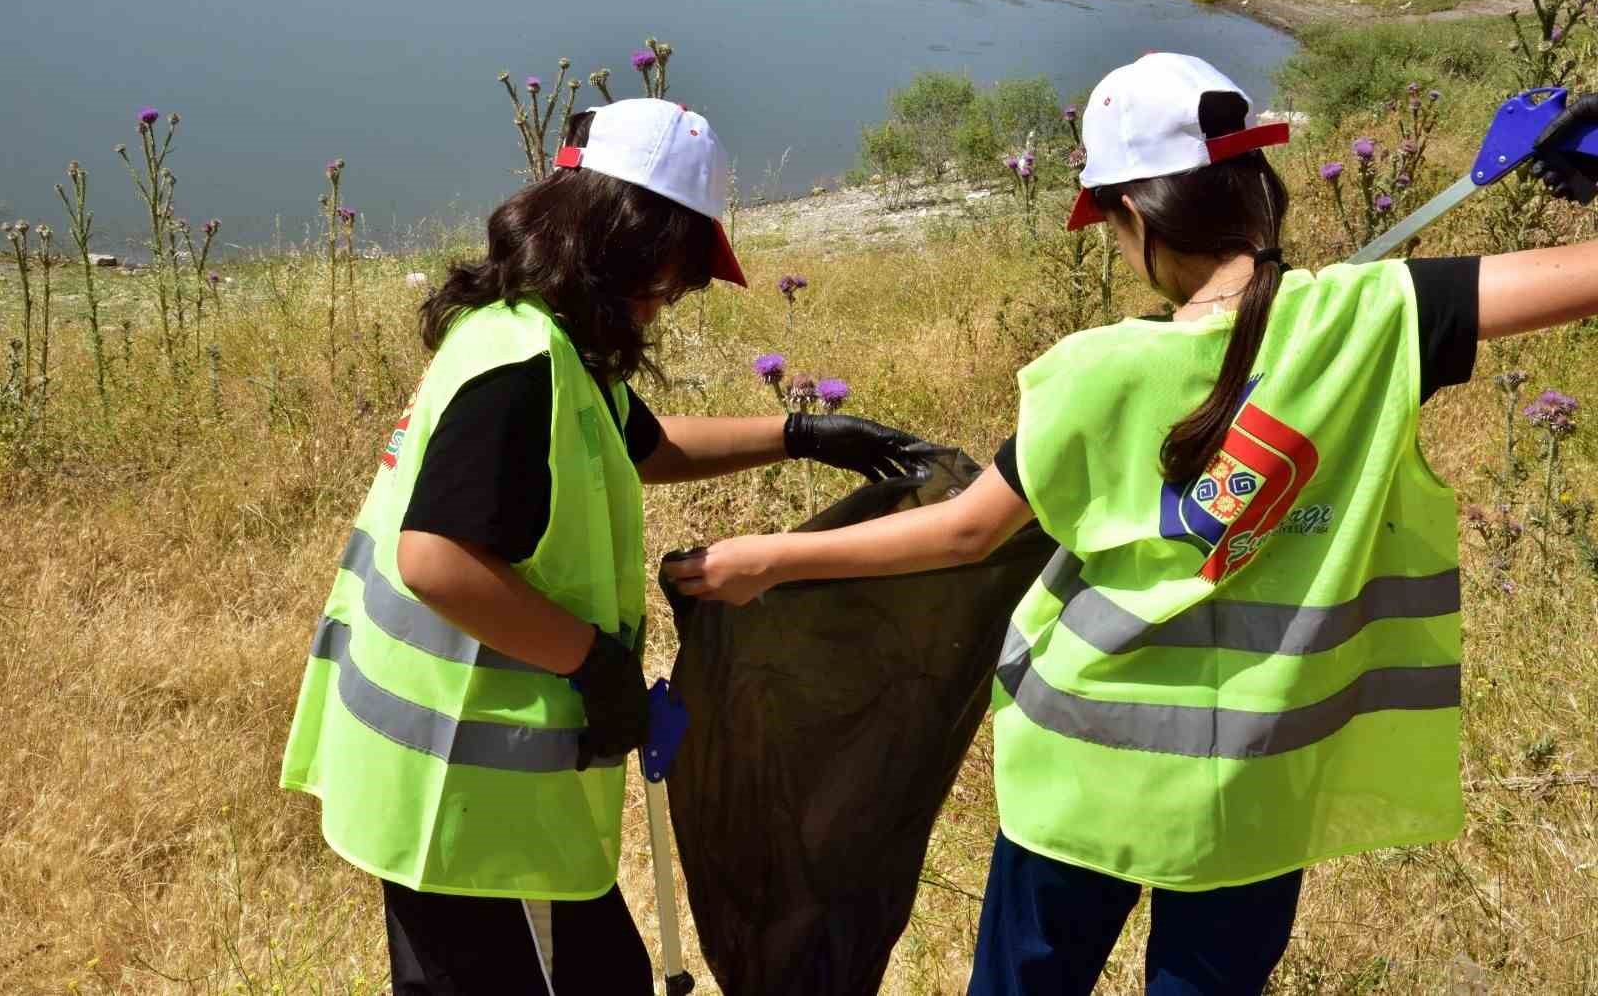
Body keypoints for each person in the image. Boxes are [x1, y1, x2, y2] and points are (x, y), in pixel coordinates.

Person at [663, 54, 1598, 994]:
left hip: (1083, 776)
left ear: (1137, 217)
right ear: (1257, 187)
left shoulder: (1092, 370)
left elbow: (963, 533)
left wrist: (772, 558)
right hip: (1258, 785)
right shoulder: (1377, 319)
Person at [279, 97, 925, 995]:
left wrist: (803, 436)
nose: (673, 300)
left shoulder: (544, 338)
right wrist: (592, 665)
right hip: (465, 785)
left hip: (459, 780)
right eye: (677, 276)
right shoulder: (521, 367)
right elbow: (436, 558)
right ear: (629, 239)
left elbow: (644, 445)